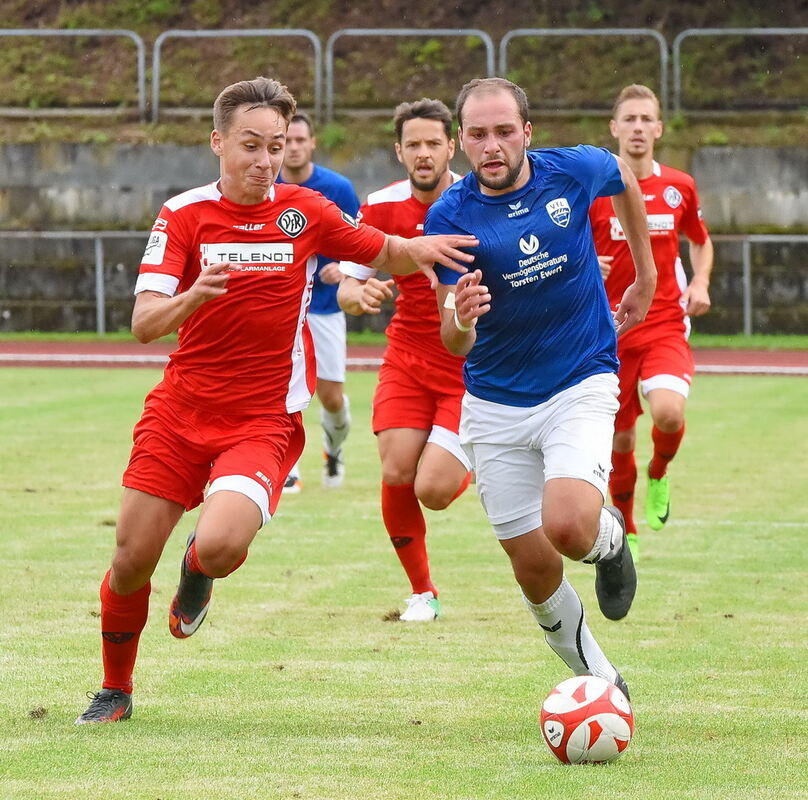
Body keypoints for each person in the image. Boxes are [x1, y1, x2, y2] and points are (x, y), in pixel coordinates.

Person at [75, 76, 478, 724]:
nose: (265, 161)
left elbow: (384, 250)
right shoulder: (183, 215)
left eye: (276, 146)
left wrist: (427, 250)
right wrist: (193, 296)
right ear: (218, 143)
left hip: (261, 421)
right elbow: (144, 322)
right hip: (179, 413)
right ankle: (115, 690)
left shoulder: (305, 212)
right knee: (127, 562)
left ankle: (198, 567)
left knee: (224, 544)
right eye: (251, 146)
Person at [429, 77, 657, 696]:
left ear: (527, 132)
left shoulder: (574, 170)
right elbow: (453, 340)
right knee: (533, 567)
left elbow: (626, 181)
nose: (492, 145)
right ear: (460, 142)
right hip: (495, 402)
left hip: (580, 377)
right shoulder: (449, 215)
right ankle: (602, 682)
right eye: (477, 134)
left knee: (568, 527)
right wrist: (462, 318)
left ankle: (608, 544)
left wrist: (645, 272)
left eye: (504, 131)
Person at [337, 99, 472, 622]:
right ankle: (423, 592)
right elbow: (351, 279)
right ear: (399, 151)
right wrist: (355, 296)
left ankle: (476, 454)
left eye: (433, 143)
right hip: (407, 361)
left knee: (433, 491)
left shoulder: (480, 198)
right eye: (412, 144)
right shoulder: (380, 206)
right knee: (396, 471)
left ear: (451, 147)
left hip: (470, 369)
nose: (423, 153)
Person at [590, 84, 713, 561]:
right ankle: (627, 524)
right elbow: (567, 244)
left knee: (668, 412)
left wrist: (699, 282)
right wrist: (586, 263)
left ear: (658, 130)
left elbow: (700, 240)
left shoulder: (678, 186)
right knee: (619, 436)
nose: (638, 127)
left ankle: (659, 471)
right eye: (630, 119)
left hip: (663, 322)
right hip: (611, 329)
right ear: (615, 129)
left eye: (647, 119)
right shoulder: (596, 190)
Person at [277, 112, 360, 492]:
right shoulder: (264, 183)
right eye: (286, 141)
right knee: (277, 389)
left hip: (325, 307)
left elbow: (361, 242)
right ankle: (284, 468)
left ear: (312, 143)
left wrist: (342, 268)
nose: (292, 148)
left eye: (299, 140)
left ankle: (334, 447)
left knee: (330, 397)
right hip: (277, 310)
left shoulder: (338, 188)